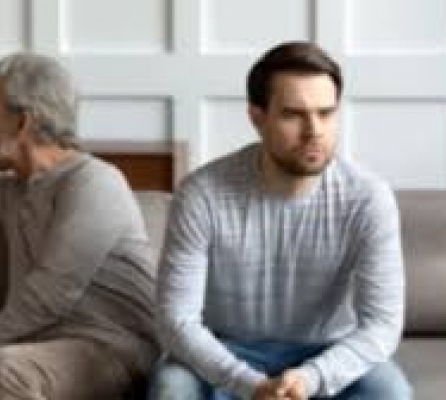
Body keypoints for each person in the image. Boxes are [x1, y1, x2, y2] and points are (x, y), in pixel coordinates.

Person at [149, 41, 411, 399]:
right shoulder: (202, 194)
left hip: (326, 353)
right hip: (226, 352)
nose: (314, 131)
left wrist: (310, 378)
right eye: (293, 115)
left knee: (391, 391)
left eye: (326, 113)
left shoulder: (367, 198)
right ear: (257, 117)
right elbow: (176, 321)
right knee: (172, 388)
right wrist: (251, 385)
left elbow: (382, 325)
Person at [0, 52, 159, 400]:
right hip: (41, 342)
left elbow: (54, 290)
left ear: (22, 122)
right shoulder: (15, 190)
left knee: (3, 368)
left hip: (112, 346)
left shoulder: (94, 182)